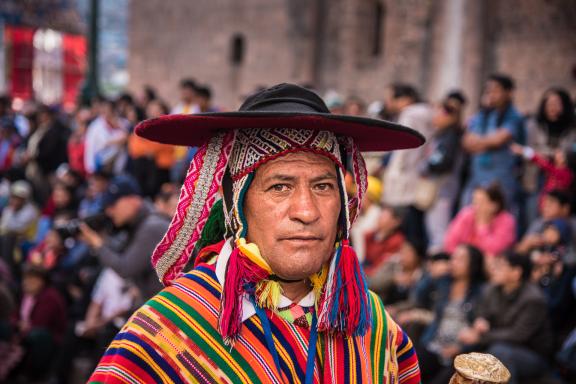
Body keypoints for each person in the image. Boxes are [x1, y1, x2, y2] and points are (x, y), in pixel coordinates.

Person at [89, 83, 424, 383]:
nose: (306, 211)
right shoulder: (164, 337)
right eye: (279, 187)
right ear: (236, 203)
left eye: (323, 186)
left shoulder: (375, 328)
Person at [458, 253, 552, 384]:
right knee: (466, 351)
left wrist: (481, 337)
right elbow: (480, 309)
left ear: (516, 272)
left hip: (531, 354)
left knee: (499, 352)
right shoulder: (493, 288)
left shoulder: (533, 299)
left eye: (500, 266)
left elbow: (518, 335)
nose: (493, 269)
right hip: (498, 342)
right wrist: (480, 319)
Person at [79, 175, 168, 305]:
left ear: (132, 200)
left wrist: (97, 243)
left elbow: (125, 267)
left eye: (113, 205)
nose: (109, 212)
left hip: (175, 310)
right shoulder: (139, 225)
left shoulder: (151, 226)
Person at [417, 245, 486, 384]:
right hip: (434, 344)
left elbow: (478, 329)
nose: (453, 262)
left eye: (460, 259)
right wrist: (431, 276)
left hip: (459, 353)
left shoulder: (481, 291)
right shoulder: (444, 283)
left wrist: (460, 348)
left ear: (473, 264)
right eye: (453, 258)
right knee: (407, 368)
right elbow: (419, 297)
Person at [461, 74, 525, 210]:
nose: (491, 94)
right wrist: (486, 143)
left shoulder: (514, 116)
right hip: (476, 178)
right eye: (488, 90)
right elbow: (466, 142)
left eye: (496, 90)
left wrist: (480, 143)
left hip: (502, 181)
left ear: (509, 92)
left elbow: (498, 140)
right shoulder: (482, 115)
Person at [383, 84, 433, 247]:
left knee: (406, 227)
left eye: (393, 99)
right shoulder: (428, 112)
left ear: (406, 99)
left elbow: (404, 150)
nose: (390, 103)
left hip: (405, 179)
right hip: (419, 175)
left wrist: (395, 171)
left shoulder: (410, 114)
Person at [444, 184, 516, 258]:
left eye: (481, 202)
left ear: (494, 205)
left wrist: (482, 226)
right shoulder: (466, 214)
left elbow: (495, 250)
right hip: (465, 259)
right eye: (474, 201)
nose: (476, 206)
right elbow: (450, 243)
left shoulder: (506, 220)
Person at [84, 99, 130, 175]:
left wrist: (119, 127)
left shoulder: (123, 123)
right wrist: (90, 167)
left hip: (119, 165)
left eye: (109, 110)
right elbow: (90, 146)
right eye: (103, 109)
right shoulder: (95, 126)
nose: (106, 112)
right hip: (100, 164)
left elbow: (126, 137)